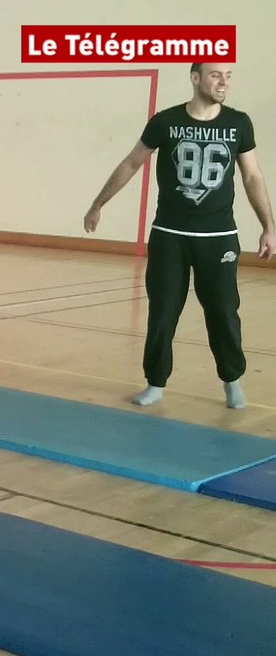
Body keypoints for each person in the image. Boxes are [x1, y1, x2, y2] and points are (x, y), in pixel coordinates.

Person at [85, 63, 276, 409]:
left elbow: (252, 177)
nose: (223, 81)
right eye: (216, 74)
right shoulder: (165, 122)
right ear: (196, 78)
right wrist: (99, 203)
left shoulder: (238, 124)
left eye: (229, 75)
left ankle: (232, 380)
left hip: (218, 237)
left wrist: (269, 227)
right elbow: (131, 163)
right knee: (163, 312)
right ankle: (156, 382)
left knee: (223, 312)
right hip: (170, 235)